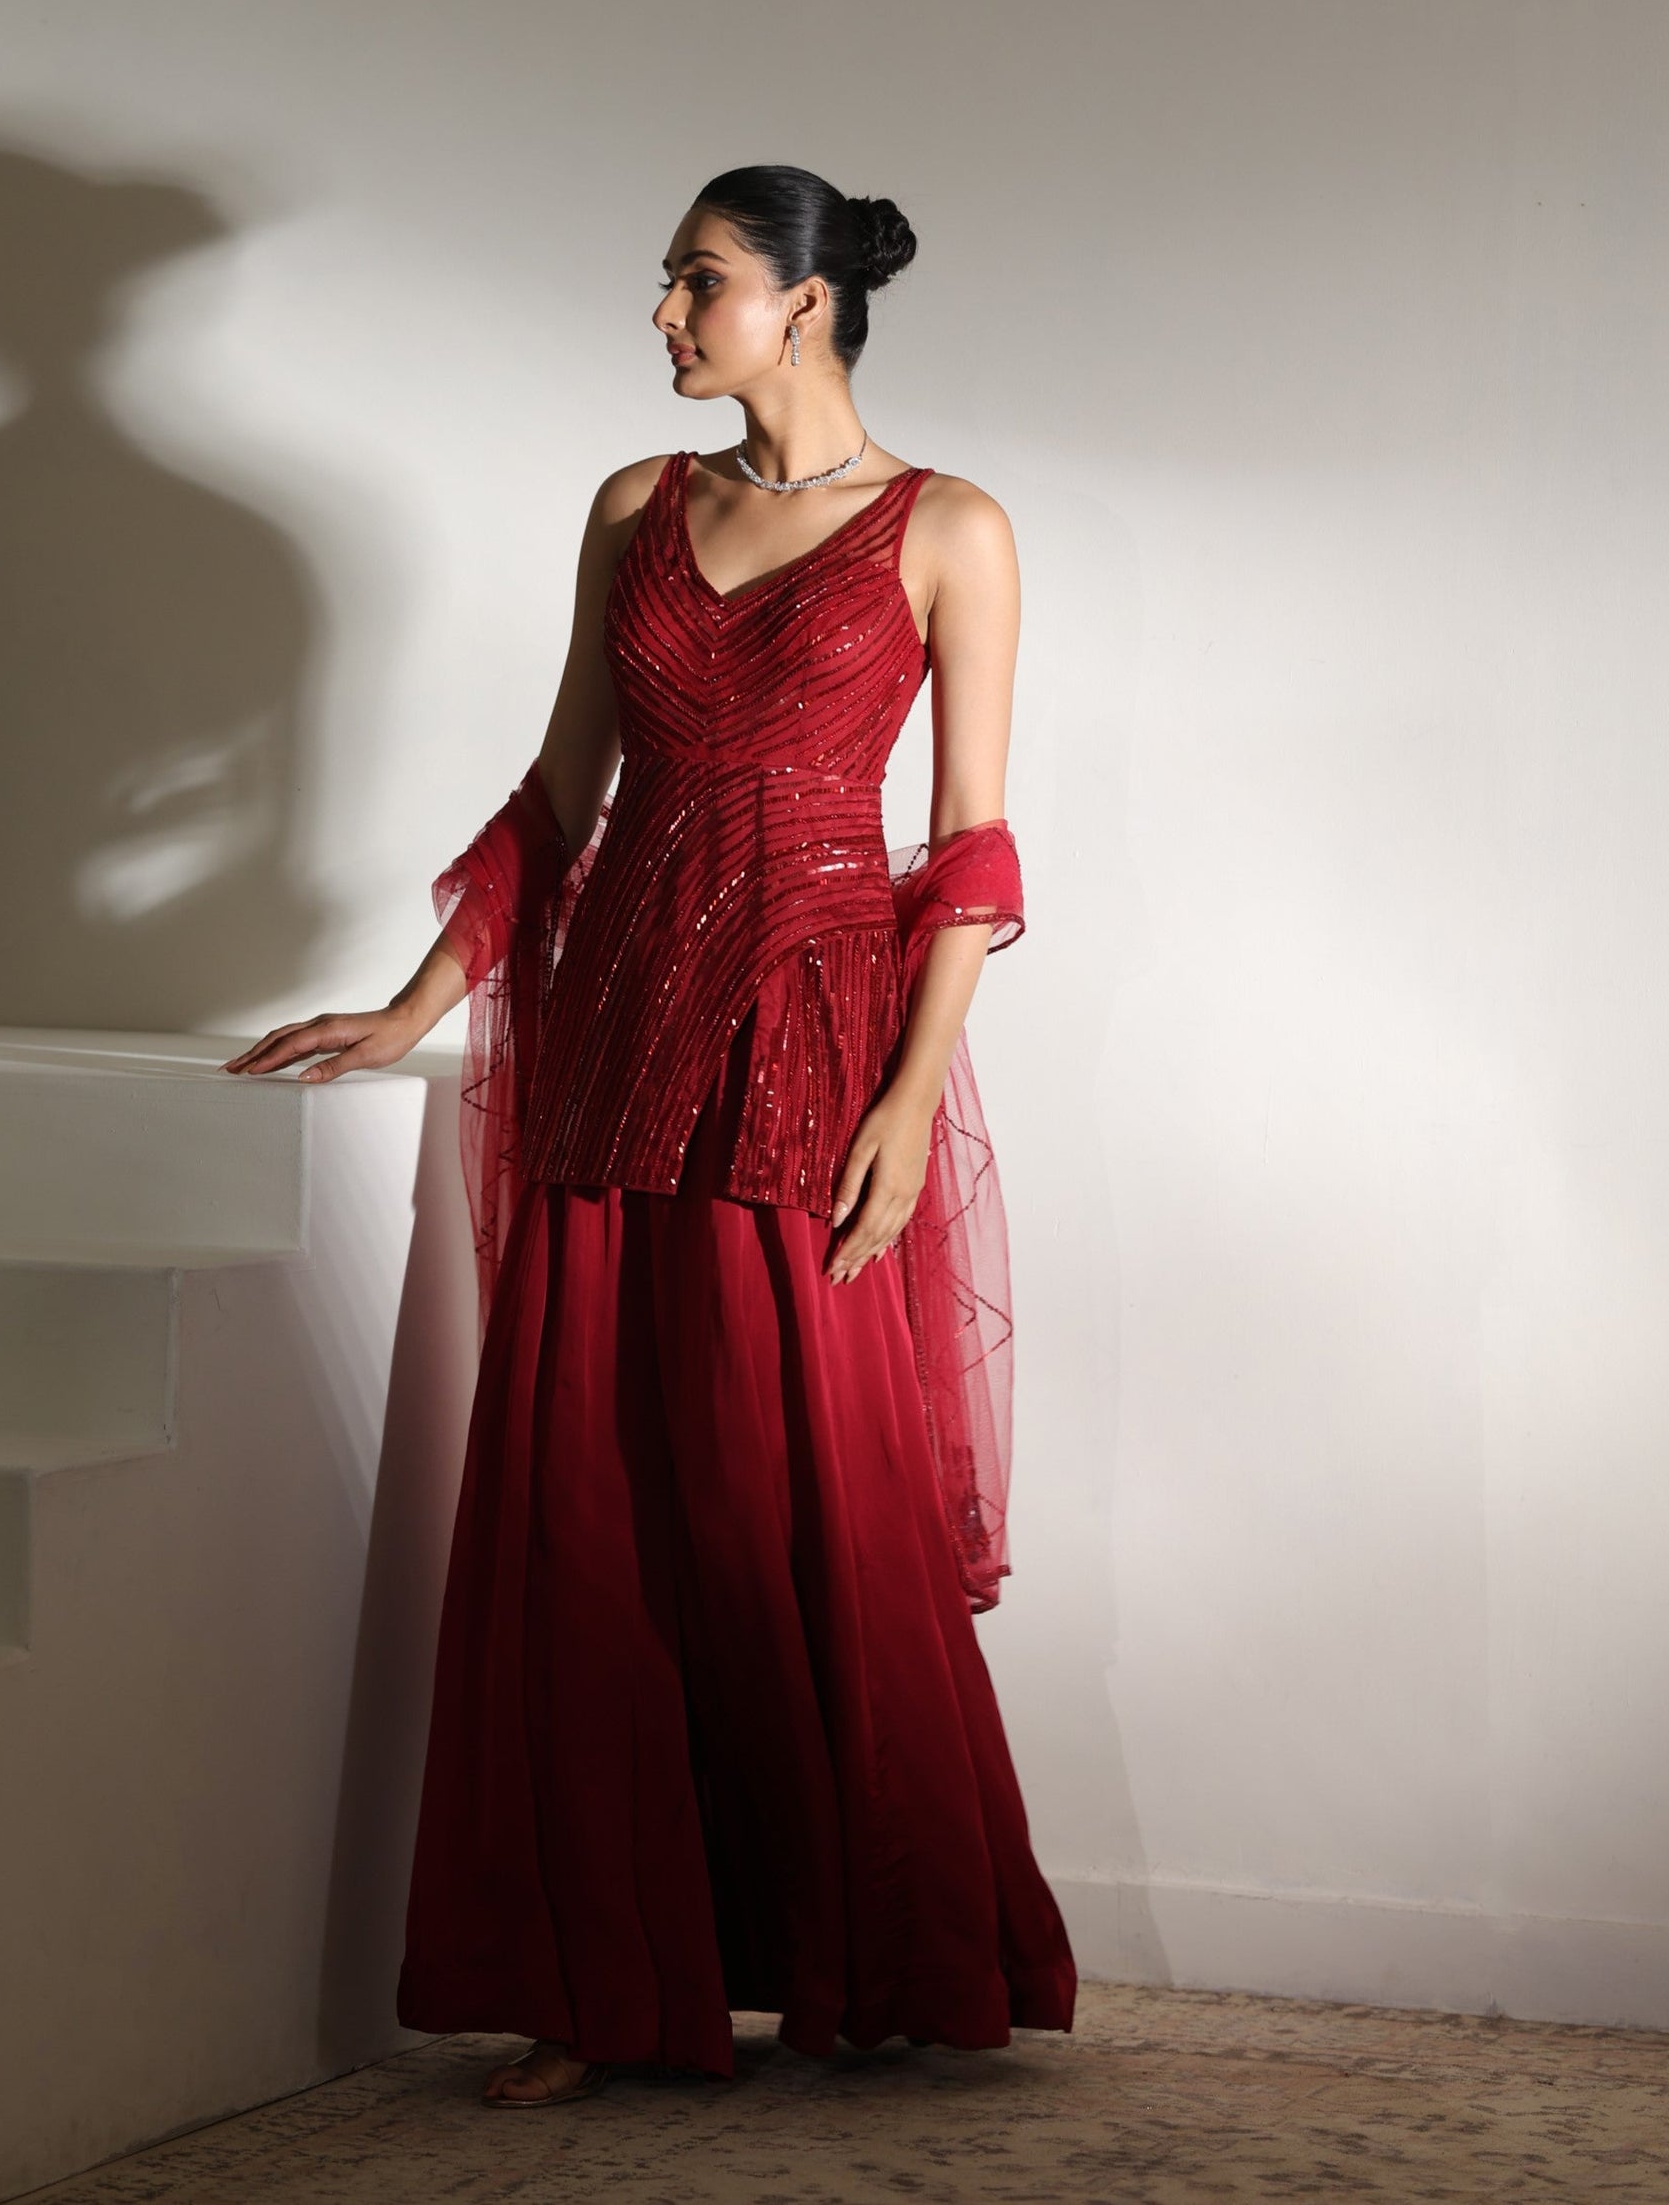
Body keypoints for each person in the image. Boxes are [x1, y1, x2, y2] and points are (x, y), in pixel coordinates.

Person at [225, 165, 1076, 2106]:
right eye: (670, 282)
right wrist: (416, 1005)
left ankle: (875, 1946)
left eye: (699, 281)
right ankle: (600, 1983)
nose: (666, 314)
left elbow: (967, 848)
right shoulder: (636, 507)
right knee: (587, 1511)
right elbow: (559, 799)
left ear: (805, 303)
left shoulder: (950, 528)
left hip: (811, 1044)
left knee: (806, 1503)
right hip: (614, 1036)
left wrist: (908, 1098)